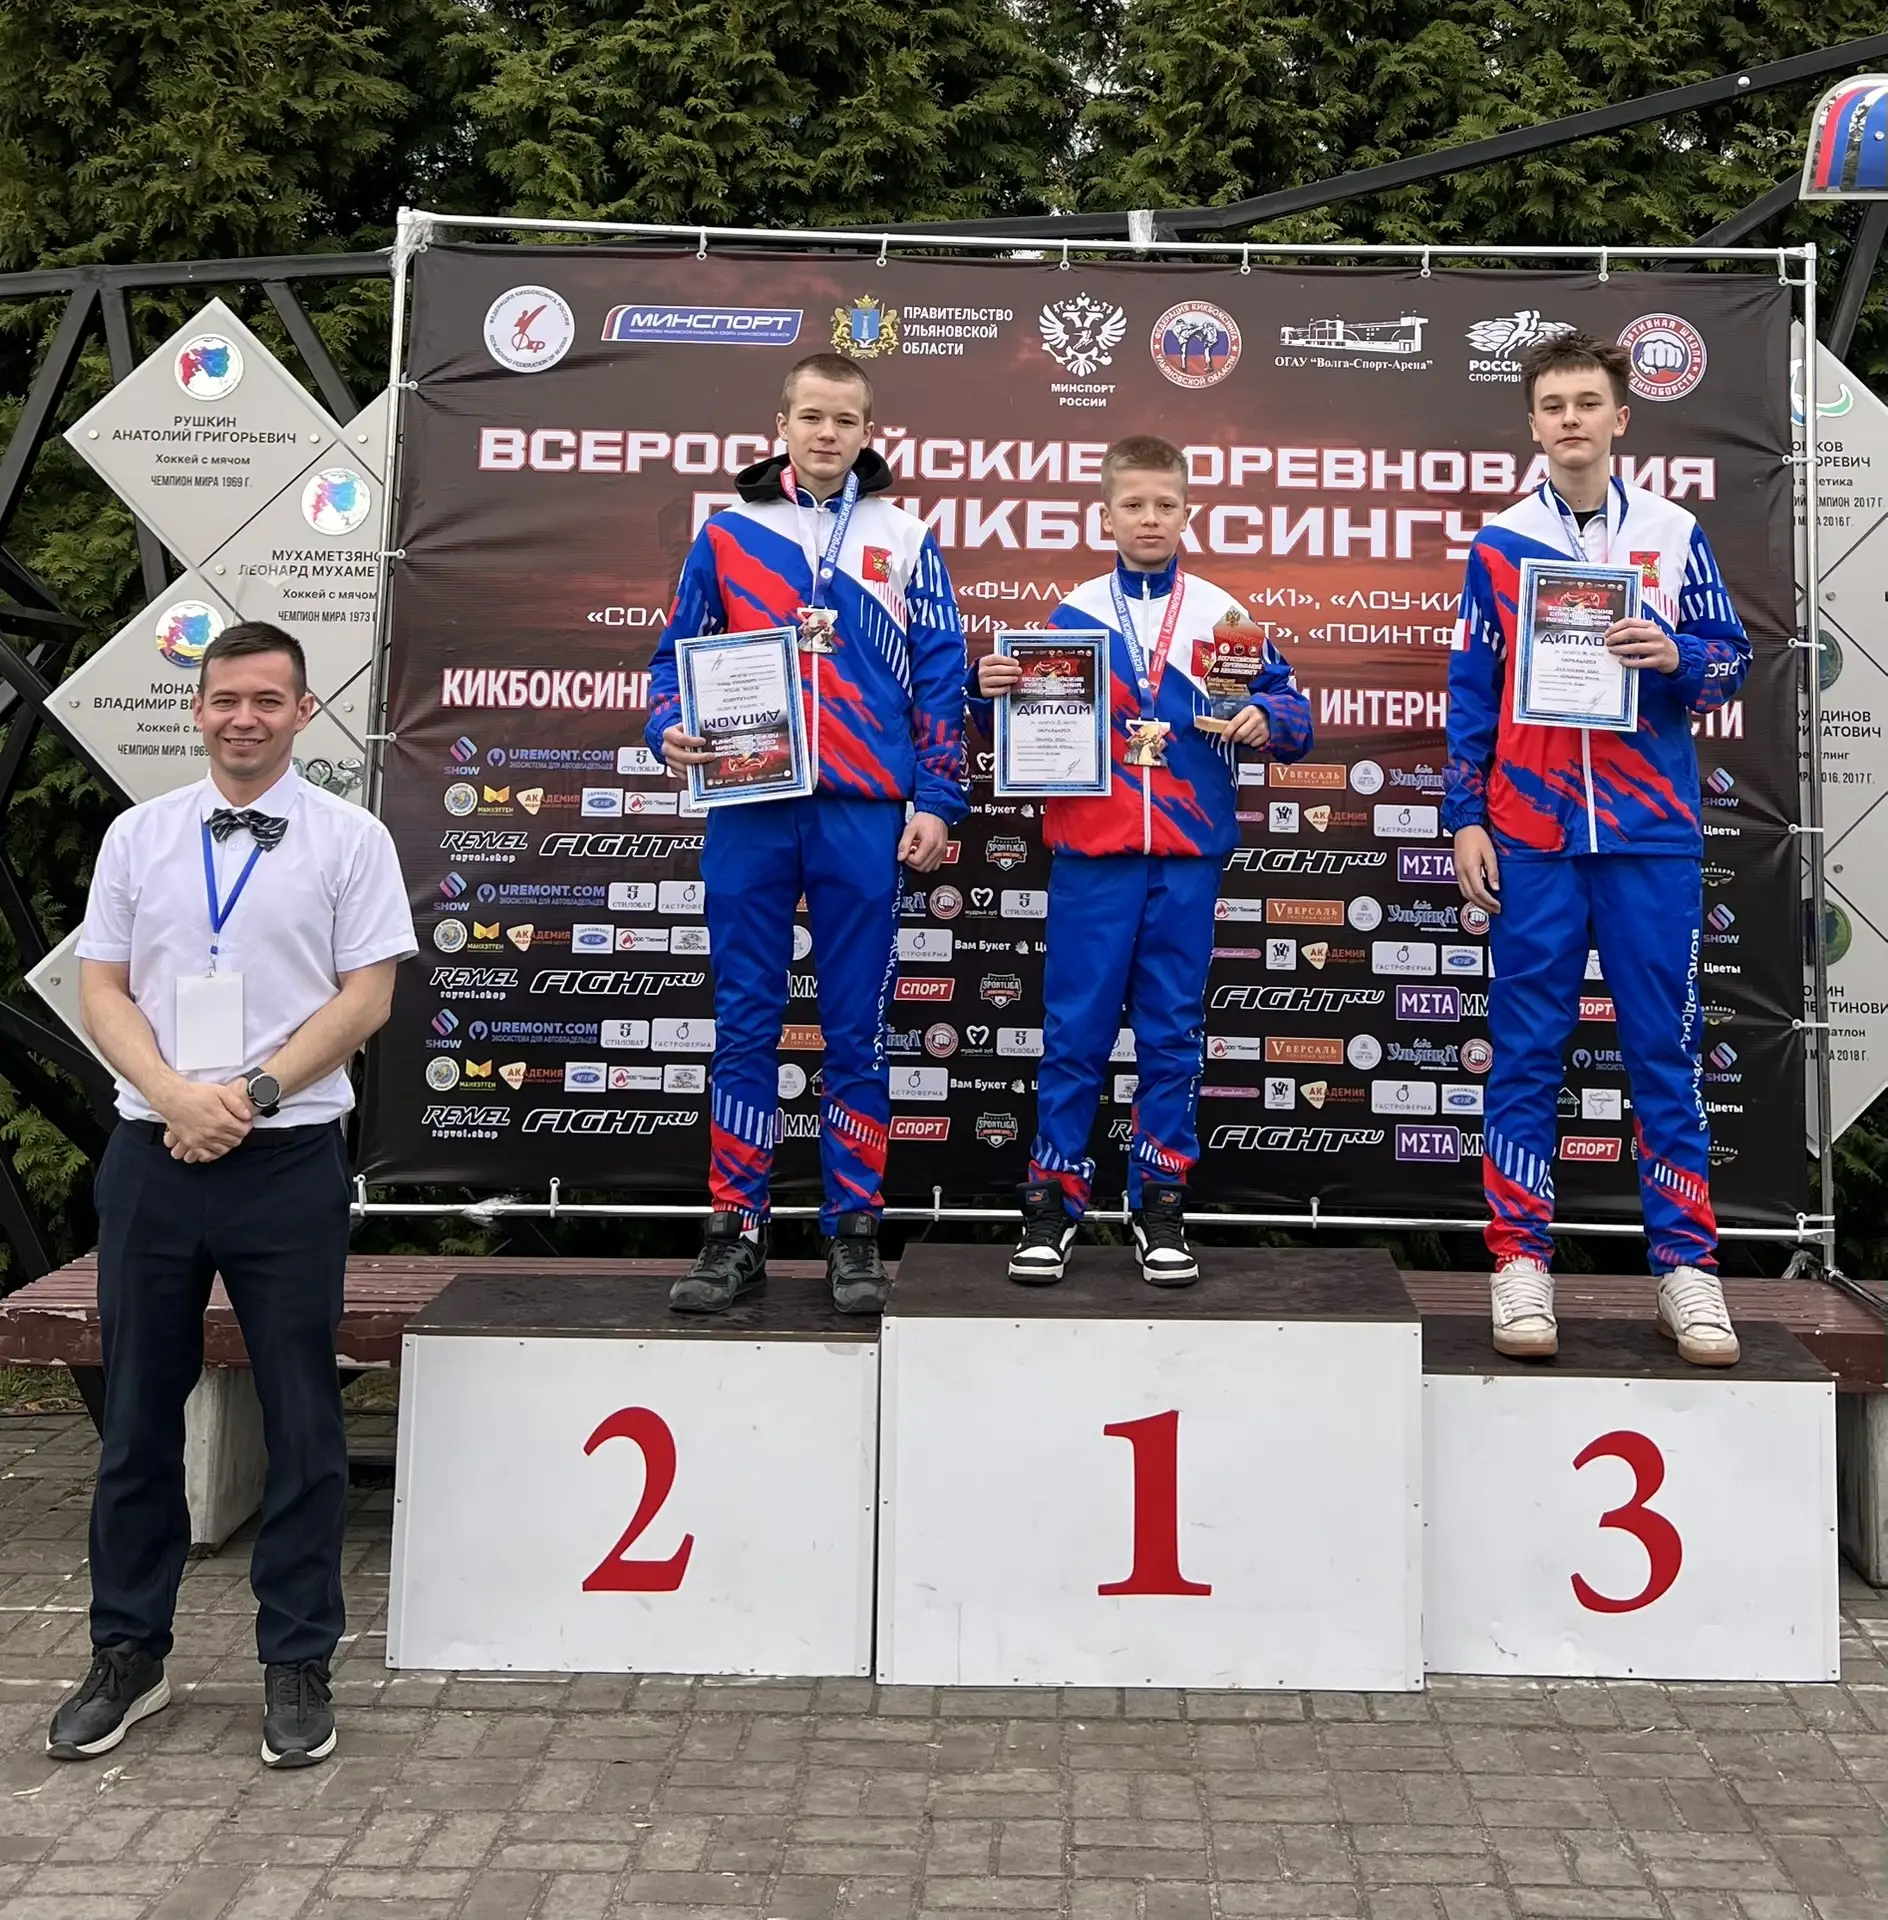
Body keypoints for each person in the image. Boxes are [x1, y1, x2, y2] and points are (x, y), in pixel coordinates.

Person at [49, 622, 416, 1768]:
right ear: (197, 709)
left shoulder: (351, 839)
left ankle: (297, 1660)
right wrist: (173, 1095)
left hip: (286, 1158)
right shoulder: (139, 835)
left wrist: (246, 1096)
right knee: (135, 1418)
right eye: (224, 699)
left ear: (304, 712)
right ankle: (128, 1654)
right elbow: (102, 988)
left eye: (266, 699)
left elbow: (366, 1000)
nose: (243, 717)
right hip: (152, 1154)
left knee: (304, 1419)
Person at [1445, 331, 1752, 1365]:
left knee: (1662, 1049)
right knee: (1526, 1048)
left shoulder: (1672, 531)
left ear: (1620, 418)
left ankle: (1686, 1268)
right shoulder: (1499, 544)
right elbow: (1471, 693)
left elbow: (1733, 664)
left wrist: (1677, 655)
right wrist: (1466, 816)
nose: (1570, 419)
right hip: (1532, 832)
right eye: (1553, 405)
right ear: (1532, 425)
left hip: (1648, 831)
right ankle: (1518, 1260)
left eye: (1587, 402)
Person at [648, 351, 967, 1314]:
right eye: (812, 417)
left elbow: (941, 677)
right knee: (745, 1021)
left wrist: (936, 798)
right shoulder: (728, 533)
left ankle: (854, 1231)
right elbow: (672, 659)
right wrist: (669, 726)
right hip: (750, 804)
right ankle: (735, 1230)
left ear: (870, 433)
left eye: (846, 420)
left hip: (862, 809)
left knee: (855, 1031)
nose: (828, 434)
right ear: (780, 425)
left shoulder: (905, 537)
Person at [972, 435, 1312, 1285]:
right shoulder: (1071, 617)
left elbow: (1293, 714)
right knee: (1074, 1034)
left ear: (1189, 512)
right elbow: (1004, 733)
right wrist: (987, 693)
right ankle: (1051, 1205)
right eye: (1133, 505)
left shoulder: (1221, 617)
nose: (1149, 518)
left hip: (1187, 858)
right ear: (1105, 516)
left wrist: (1269, 718)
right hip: (1095, 856)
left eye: (1165, 504)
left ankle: (1160, 1202)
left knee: (1171, 1034)